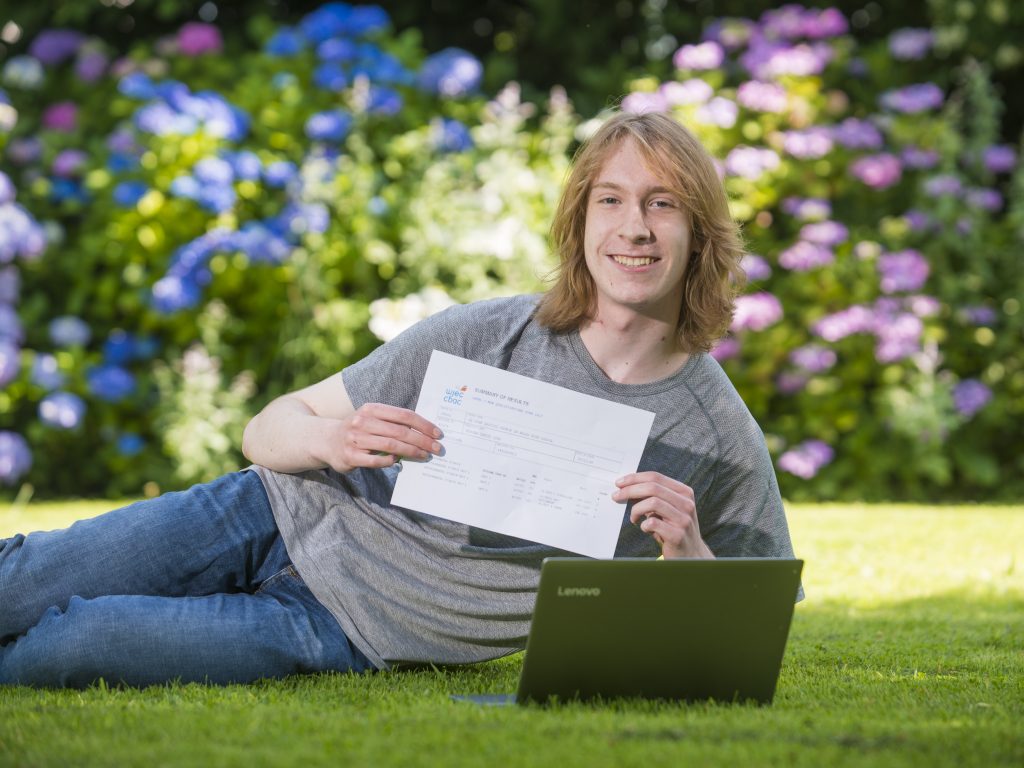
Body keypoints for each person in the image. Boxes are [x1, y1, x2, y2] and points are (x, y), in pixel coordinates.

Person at [0, 110, 798, 688]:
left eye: (663, 204)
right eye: (613, 200)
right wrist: (333, 442)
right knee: (22, 582)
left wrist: (690, 559)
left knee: (72, 647)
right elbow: (266, 427)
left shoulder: (716, 433)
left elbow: (751, 630)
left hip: (342, 630)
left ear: (699, 233)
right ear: (580, 222)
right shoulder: (487, 333)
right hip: (269, 515)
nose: (636, 227)